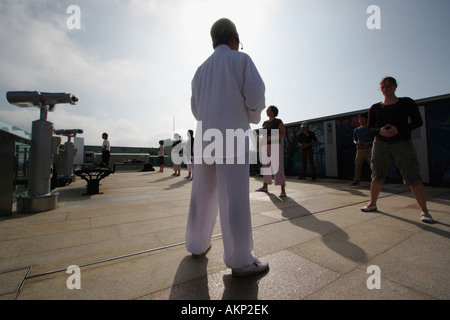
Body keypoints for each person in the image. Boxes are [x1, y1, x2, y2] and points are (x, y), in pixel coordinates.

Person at [186, 18, 268, 276]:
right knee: (234, 199)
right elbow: (256, 95)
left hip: (206, 137)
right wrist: (250, 117)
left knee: (202, 195)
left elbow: (196, 110)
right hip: (232, 135)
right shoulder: (241, 60)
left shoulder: (200, 70)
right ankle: (241, 259)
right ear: (233, 38)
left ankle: (197, 245)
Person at [361, 76, 433, 223]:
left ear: (395, 87)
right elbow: (369, 127)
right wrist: (379, 131)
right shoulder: (375, 107)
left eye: (388, 86)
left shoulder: (406, 102)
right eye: (382, 87)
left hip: (402, 142)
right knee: (377, 175)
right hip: (380, 143)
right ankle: (372, 204)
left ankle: (424, 211)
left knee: (412, 176)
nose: (385, 89)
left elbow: (418, 122)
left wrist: (398, 129)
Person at [256, 105, 286, 197]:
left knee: (278, 167)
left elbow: (283, 134)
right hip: (265, 146)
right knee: (265, 166)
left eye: (271, 110)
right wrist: (261, 138)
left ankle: (283, 190)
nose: (269, 111)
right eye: (268, 110)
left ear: (274, 112)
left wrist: (271, 138)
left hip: (275, 145)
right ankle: (265, 186)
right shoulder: (265, 123)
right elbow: (263, 134)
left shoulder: (278, 121)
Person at [348, 113, 373, 185]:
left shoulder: (370, 129)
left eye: (363, 118)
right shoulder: (356, 130)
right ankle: (356, 180)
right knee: (357, 166)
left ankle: (376, 181)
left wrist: (369, 143)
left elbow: (374, 139)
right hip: (359, 150)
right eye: (360, 119)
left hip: (369, 150)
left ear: (366, 119)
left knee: (373, 166)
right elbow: (354, 139)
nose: (361, 120)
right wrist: (356, 143)